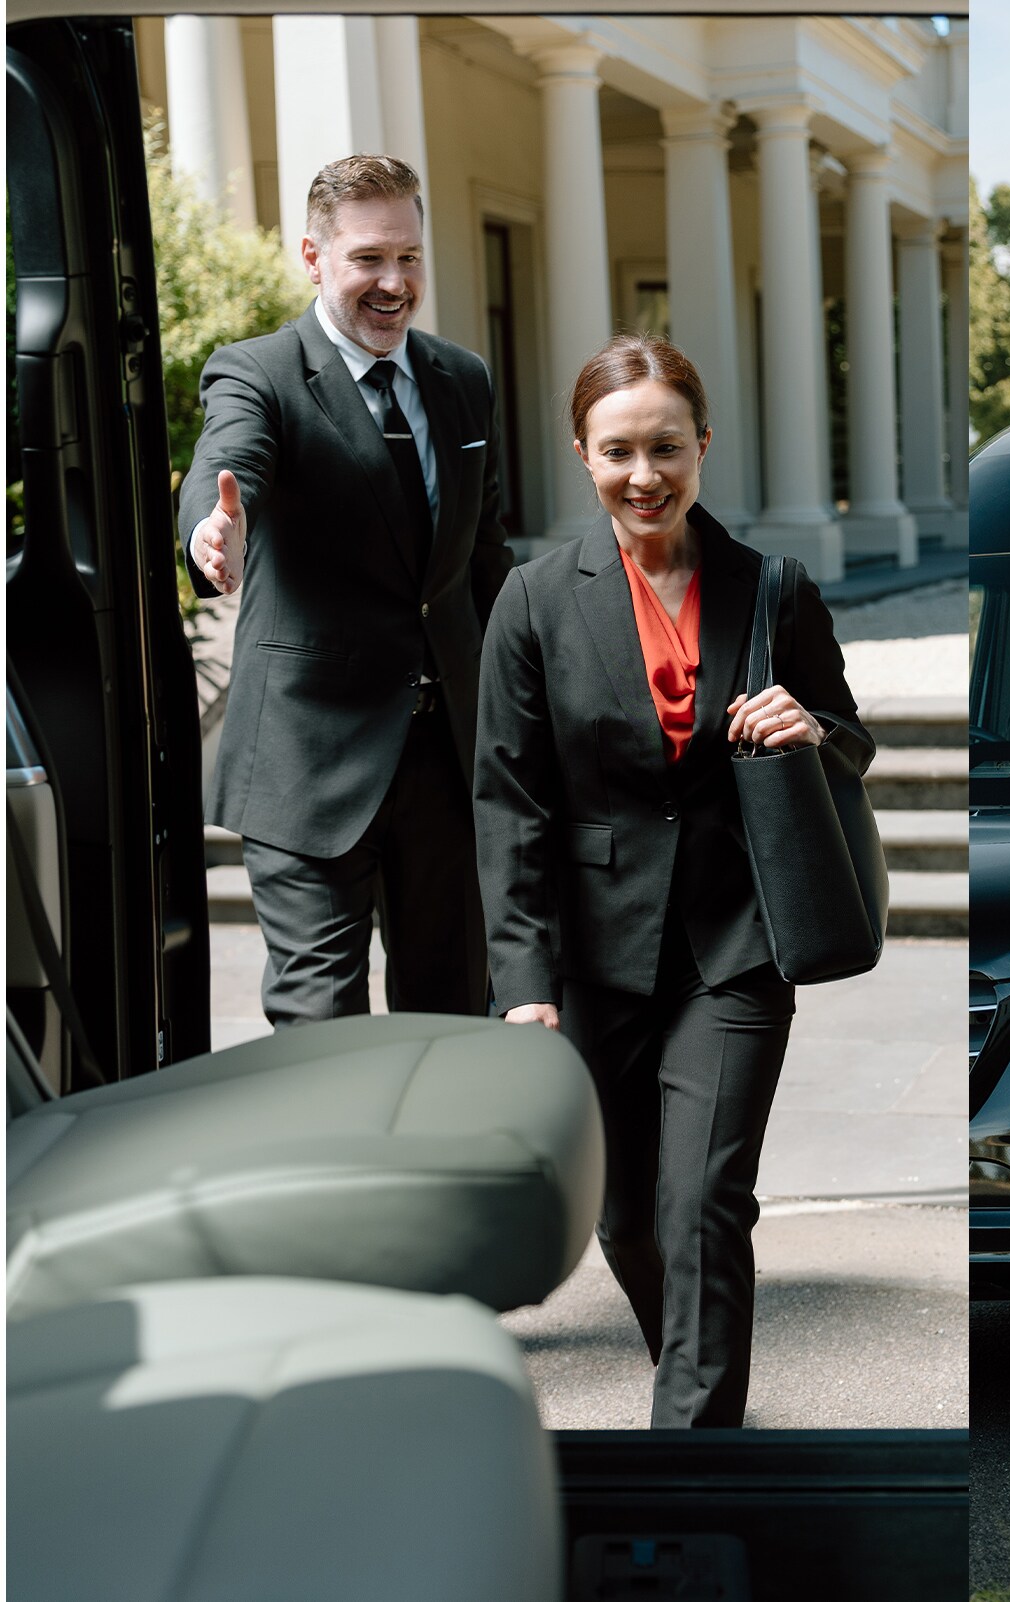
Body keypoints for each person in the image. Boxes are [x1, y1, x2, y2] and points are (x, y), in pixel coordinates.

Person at [471, 334, 872, 1428]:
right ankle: (695, 1388)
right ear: (581, 456)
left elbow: (850, 739)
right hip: (592, 956)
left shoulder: (769, 587)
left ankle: (696, 1459)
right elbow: (508, 805)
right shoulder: (535, 601)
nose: (643, 475)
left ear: (703, 445)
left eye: (664, 447)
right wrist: (523, 980)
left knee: (704, 1205)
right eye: (617, 452)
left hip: (736, 939)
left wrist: (812, 726)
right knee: (630, 1222)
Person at [180, 153, 514, 1025]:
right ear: (313, 256)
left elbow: (485, 558)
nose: (394, 282)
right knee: (320, 1025)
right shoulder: (257, 371)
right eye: (369, 258)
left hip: (449, 759)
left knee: (451, 1016)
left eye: (408, 257)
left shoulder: (464, 380)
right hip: (308, 759)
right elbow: (228, 463)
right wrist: (213, 530)